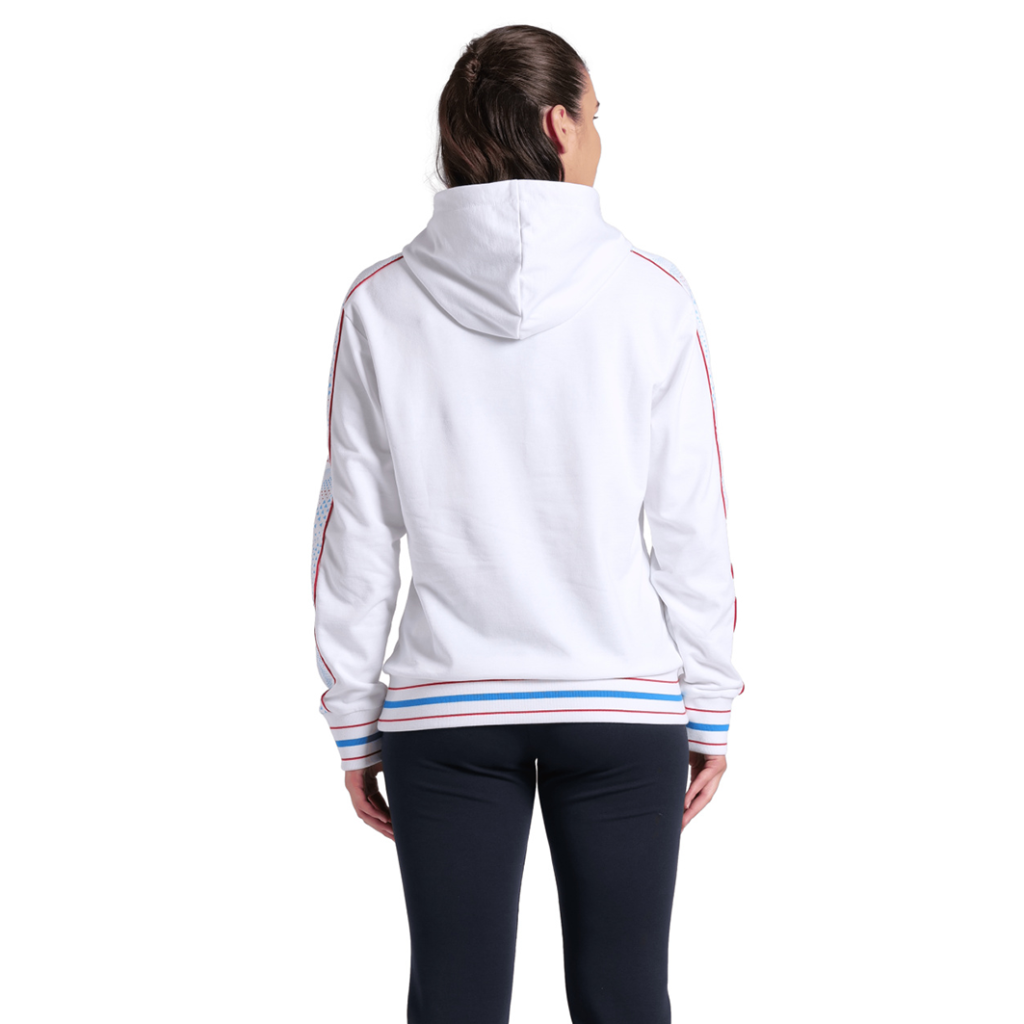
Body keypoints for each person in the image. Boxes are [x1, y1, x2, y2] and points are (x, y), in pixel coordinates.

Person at [309, 23, 746, 1024]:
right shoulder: (651, 296)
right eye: (596, 116)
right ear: (558, 126)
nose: (601, 137)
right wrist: (711, 702)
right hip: (621, 699)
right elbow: (692, 521)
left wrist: (353, 718)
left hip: (446, 705)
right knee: (626, 999)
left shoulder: (380, 303)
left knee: (454, 1003)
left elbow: (356, 534)